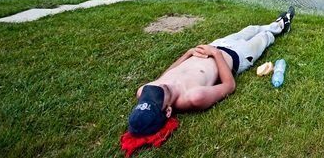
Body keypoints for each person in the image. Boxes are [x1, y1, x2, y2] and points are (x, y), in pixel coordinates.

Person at [126, 7, 295, 138]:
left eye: (151, 91)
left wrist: (189, 52)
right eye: (159, 95)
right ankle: (282, 25)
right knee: (264, 37)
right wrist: (215, 54)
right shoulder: (194, 96)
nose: (159, 86)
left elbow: (168, 73)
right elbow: (229, 86)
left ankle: (276, 23)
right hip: (237, 55)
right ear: (168, 111)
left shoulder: (145, 90)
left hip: (218, 44)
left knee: (250, 28)